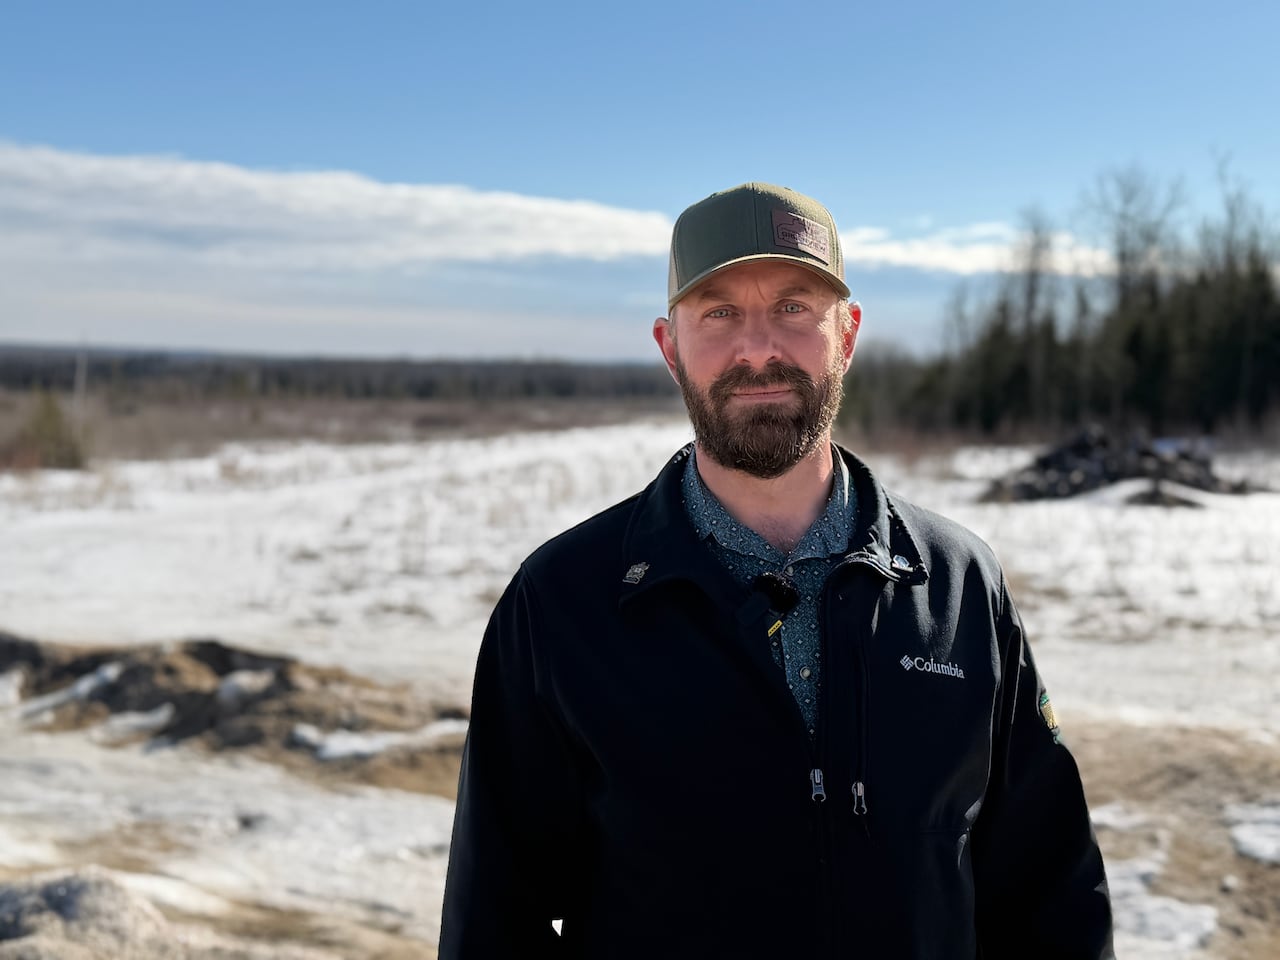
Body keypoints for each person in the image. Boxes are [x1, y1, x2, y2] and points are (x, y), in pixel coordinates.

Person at [440, 182, 1113, 958]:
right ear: (669, 347)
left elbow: (1050, 895)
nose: (758, 349)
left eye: (794, 307)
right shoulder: (565, 601)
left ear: (848, 333)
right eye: (719, 313)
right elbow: (494, 922)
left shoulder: (959, 585)